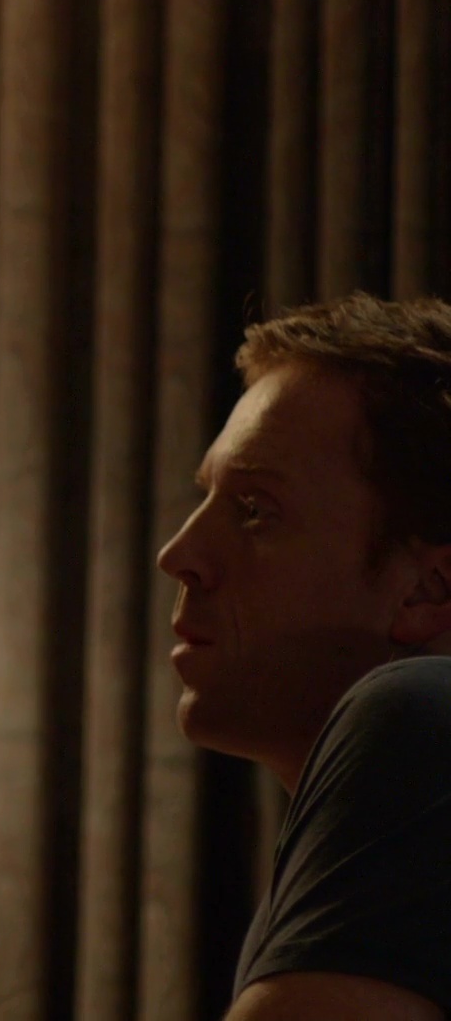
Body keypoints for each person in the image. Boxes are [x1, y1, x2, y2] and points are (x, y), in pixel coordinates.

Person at [157, 292, 451, 1020]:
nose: (179, 554)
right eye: (207, 497)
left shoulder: (420, 717)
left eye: (255, 510)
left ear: (426, 589)